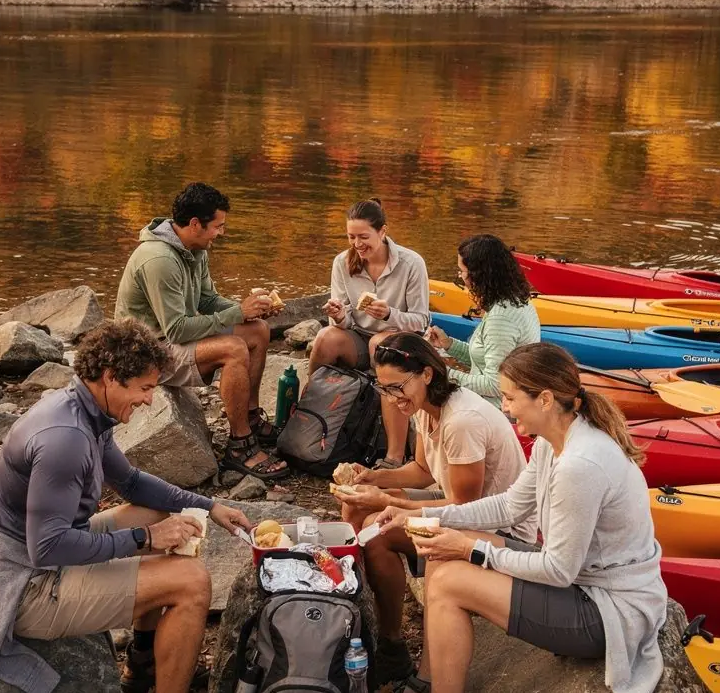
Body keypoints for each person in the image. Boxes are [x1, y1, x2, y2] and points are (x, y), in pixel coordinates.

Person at [0, 319, 253, 693]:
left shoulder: (87, 412)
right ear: (110, 376)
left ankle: (143, 662)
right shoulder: (65, 438)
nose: (149, 400)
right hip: (25, 585)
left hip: (41, 555)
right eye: (143, 388)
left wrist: (209, 506)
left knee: (150, 513)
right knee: (191, 582)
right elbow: (48, 545)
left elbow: (133, 484)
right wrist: (145, 542)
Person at [369, 341, 668, 693]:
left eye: (510, 397)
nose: (505, 408)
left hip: (607, 611)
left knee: (452, 580)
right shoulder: (555, 439)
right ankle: (427, 683)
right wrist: (427, 515)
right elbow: (509, 507)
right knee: (441, 551)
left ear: (544, 398)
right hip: (585, 585)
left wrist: (473, 550)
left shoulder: (580, 465)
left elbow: (558, 570)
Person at [336, 333, 535, 683]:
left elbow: (466, 506)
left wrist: (389, 502)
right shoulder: (425, 408)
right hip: (460, 506)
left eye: (398, 387)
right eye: (385, 389)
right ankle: (380, 632)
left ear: (427, 374)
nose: (393, 398)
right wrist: (373, 478)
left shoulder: (461, 421)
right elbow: (424, 471)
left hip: (497, 527)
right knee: (358, 511)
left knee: (375, 531)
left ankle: (395, 646)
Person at [114, 181, 287, 479]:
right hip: (144, 354)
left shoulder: (194, 249)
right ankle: (240, 447)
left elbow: (207, 300)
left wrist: (249, 311)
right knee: (233, 350)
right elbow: (178, 330)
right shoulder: (160, 260)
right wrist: (236, 313)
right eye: (218, 226)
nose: (222, 232)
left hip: (167, 341)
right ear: (195, 224)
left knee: (257, 330)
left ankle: (249, 417)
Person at [308, 198, 429, 467]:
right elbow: (345, 320)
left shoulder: (411, 263)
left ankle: (394, 455)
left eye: (364, 236)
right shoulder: (342, 262)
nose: (357, 244)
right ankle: (306, 420)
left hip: (398, 341)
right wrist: (338, 315)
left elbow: (421, 321)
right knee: (325, 338)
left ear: (383, 232)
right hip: (358, 338)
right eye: (351, 237)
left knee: (380, 343)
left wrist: (389, 315)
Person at [428, 235, 540, 407]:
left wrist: (443, 373)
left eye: (462, 271)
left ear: (478, 275)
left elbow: (495, 385)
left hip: (496, 409)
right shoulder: (517, 301)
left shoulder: (501, 318)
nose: (461, 276)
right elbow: (485, 358)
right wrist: (449, 344)